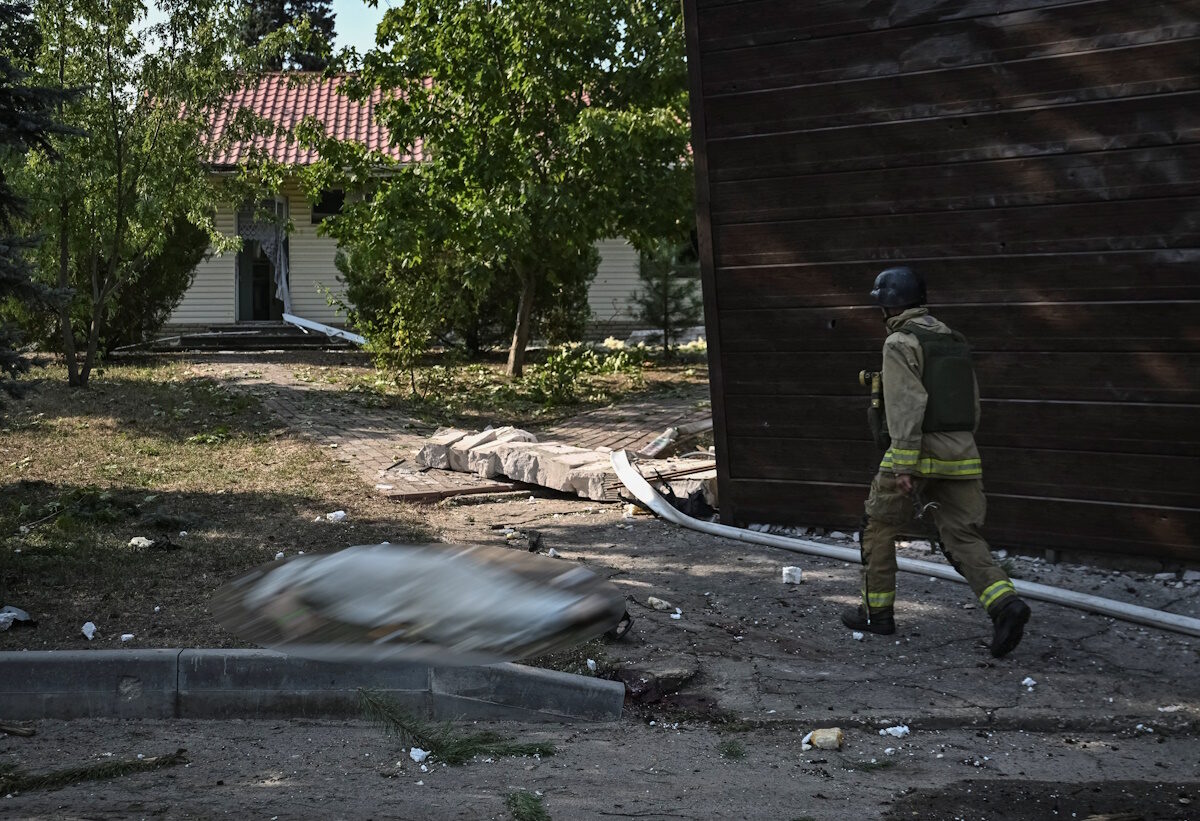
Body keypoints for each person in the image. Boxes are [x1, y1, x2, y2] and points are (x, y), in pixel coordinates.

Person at [842, 266, 1031, 658]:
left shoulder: (899, 342)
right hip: (962, 454)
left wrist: (905, 464)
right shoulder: (953, 339)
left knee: (877, 528)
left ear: (888, 306)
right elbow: (971, 405)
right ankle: (1005, 605)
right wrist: (958, 444)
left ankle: (877, 613)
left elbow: (907, 405)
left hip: (916, 453)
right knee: (963, 536)